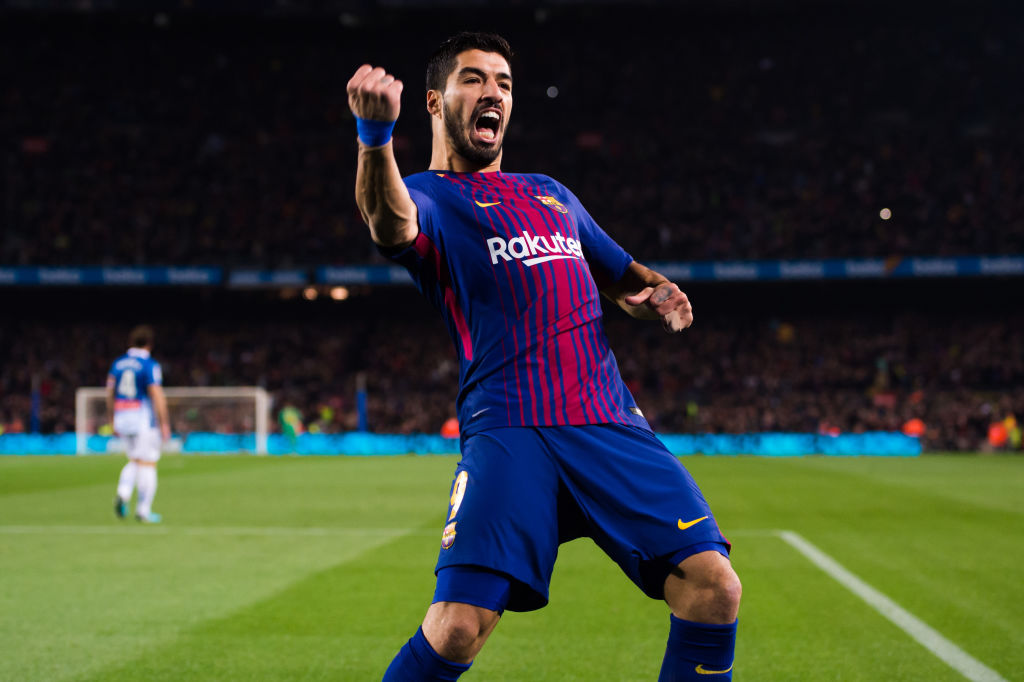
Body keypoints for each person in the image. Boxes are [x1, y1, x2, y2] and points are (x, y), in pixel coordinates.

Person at [348, 32, 741, 681]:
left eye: (503, 83)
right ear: (434, 102)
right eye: (474, 79)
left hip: (607, 423)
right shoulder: (430, 197)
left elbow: (624, 276)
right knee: (457, 628)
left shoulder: (552, 194)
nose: (493, 92)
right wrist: (374, 138)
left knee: (715, 587)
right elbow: (389, 224)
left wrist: (656, 292)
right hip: (510, 429)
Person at [107, 325, 171, 523]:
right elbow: (156, 393)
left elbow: (109, 392)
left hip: (122, 414)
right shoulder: (149, 364)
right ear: (149, 344)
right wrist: (164, 422)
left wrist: (112, 419)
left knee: (134, 459)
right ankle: (143, 510)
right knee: (148, 462)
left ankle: (123, 492)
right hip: (142, 417)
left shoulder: (117, 364)